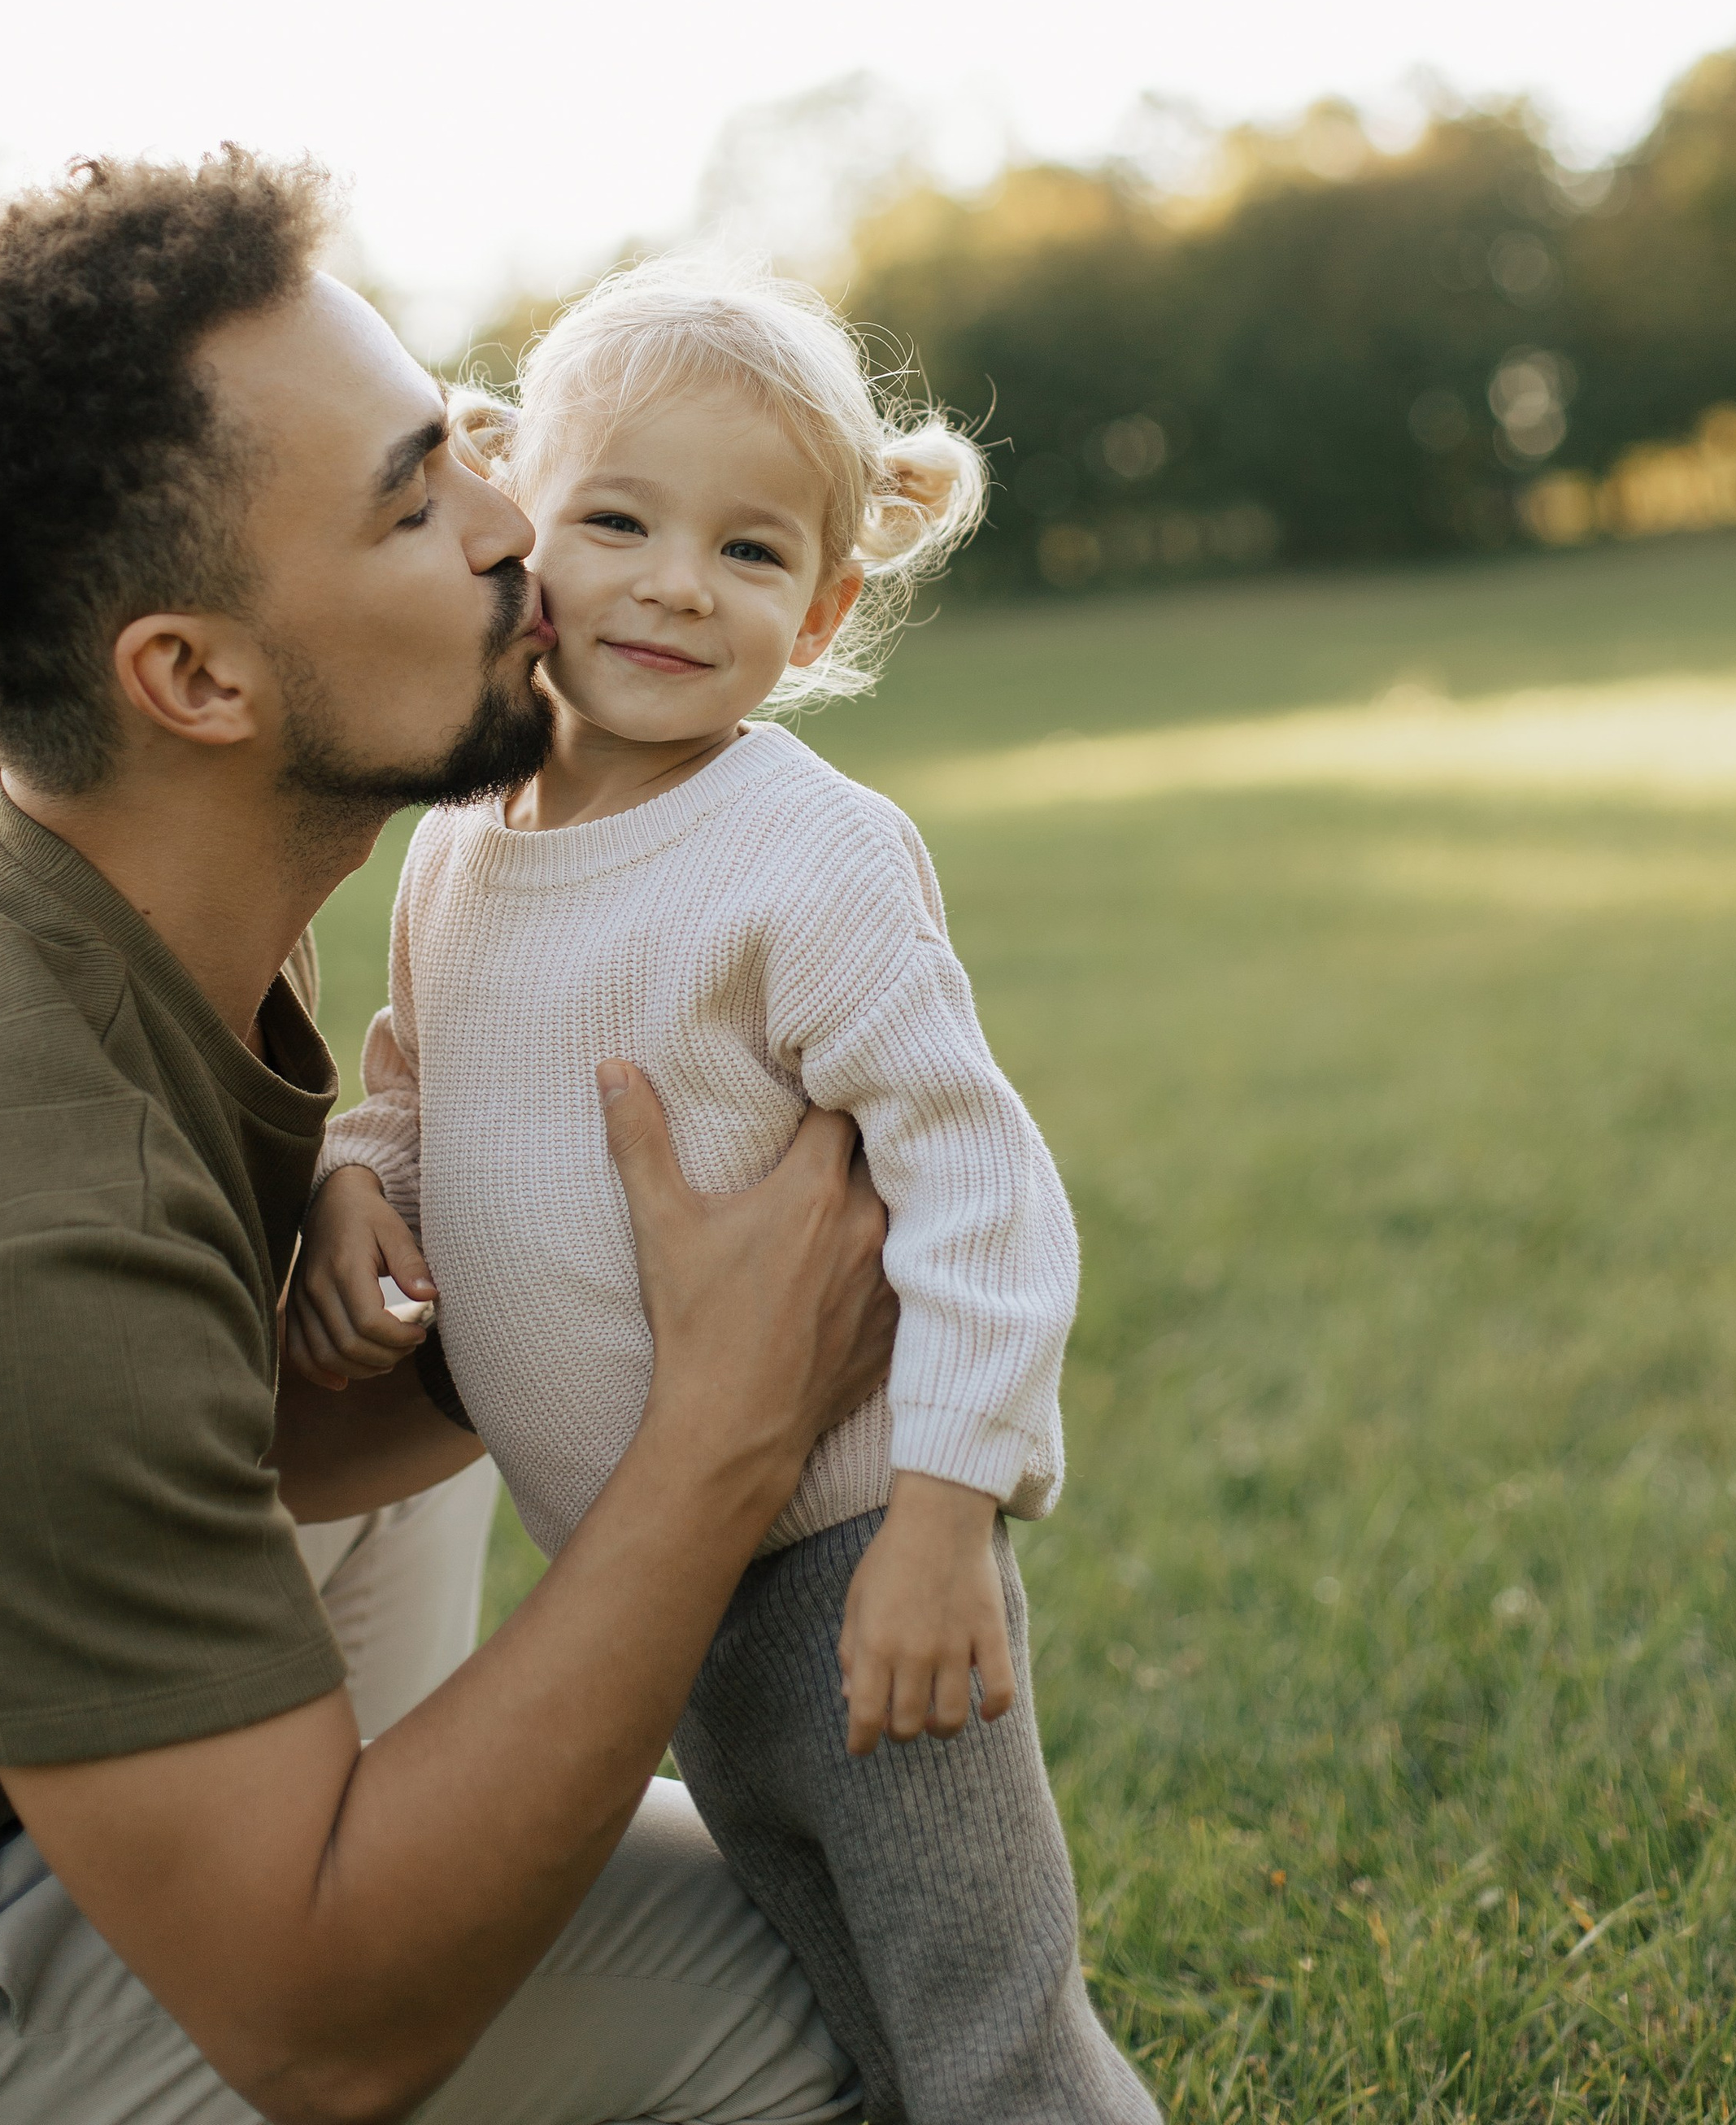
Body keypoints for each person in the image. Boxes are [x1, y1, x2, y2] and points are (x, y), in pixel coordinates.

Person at [0, 152, 899, 2125]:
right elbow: (323, 2032)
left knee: (399, 1296)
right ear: (191, 678)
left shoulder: (85, 863)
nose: (517, 522)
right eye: (415, 501)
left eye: (460, 445)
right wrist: (723, 1428)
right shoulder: (2, 1214)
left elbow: (231, 1430)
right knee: (829, 1993)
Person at [294, 259, 1158, 2125]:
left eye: (749, 554)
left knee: (984, 2027)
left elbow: (976, 1190)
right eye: (618, 521)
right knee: (838, 2010)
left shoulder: (806, 857)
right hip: (651, 1582)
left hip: (852, 1552)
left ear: (825, 606)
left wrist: (945, 1522)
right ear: (522, 518)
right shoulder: (460, 843)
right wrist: (362, 1183)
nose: (676, 582)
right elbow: (407, 1080)